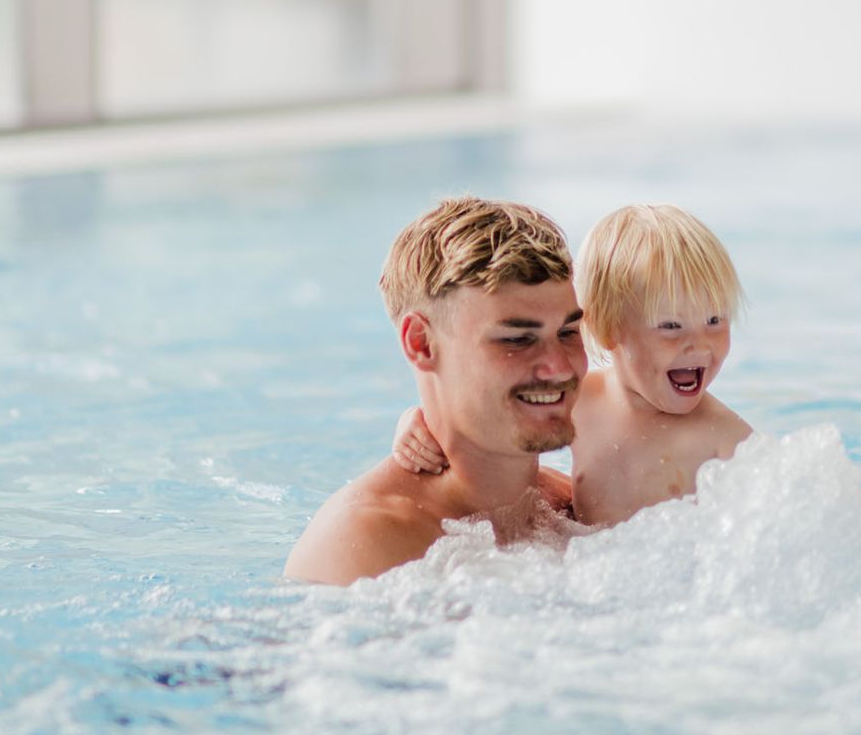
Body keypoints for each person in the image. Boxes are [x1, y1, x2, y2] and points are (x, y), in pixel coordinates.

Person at [282, 197, 586, 585]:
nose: (559, 367)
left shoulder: (572, 505)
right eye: (517, 340)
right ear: (421, 343)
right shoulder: (364, 543)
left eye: (568, 333)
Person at [391, 204, 752, 528]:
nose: (699, 344)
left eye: (715, 320)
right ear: (608, 329)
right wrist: (416, 423)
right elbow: (488, 418)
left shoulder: (726, 440)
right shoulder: (583, 401)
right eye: (671, 326)